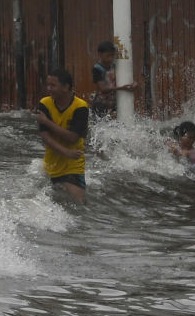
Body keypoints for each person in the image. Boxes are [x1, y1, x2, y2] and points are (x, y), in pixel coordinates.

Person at [35, 67, 91, 204]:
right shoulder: (44, 103)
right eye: (48, 85)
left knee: (78, 204)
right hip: (50, 164)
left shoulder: (81, 107)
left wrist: (47, 122)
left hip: (73, 165)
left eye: (53, 85)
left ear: (66, 87)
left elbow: (73, 137)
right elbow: (45, 137)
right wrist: (66, 152)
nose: (49, 89)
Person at [88, 40, 129, 117]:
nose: (110, 58)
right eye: (108, 56)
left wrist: (133, 84)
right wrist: (122, 88)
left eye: (112, 56)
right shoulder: (97, 69)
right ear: (100, 54)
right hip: (101, 104)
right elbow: (103, 89)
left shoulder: (114, 66)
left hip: (113, 103)